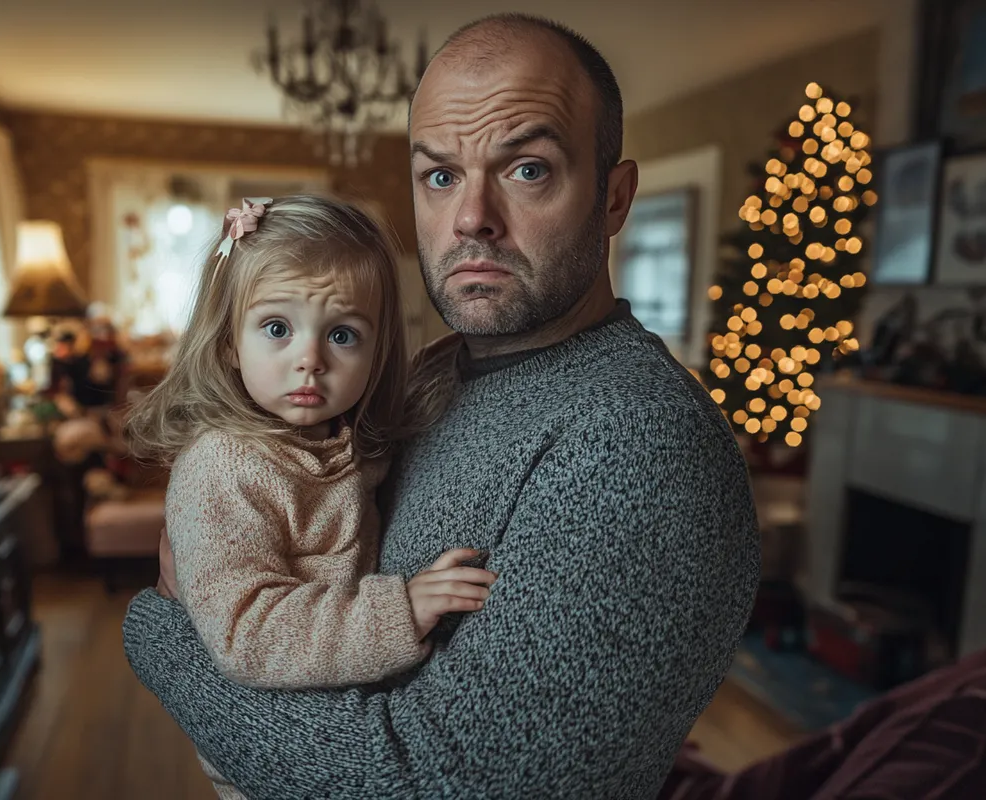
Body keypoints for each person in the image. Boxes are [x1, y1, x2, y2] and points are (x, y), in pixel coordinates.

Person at [124, 13, 760, 799]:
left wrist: (159, 630)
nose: (470, 219)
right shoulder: (430, 376)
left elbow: (434, 783)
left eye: (527, 169)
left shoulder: (636, 445)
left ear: (615, 196)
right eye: (440, 175)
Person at [122, 195, 499, 799]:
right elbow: (247, 634)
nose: (310, 361)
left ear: (376, 355)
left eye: (343, 335)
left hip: (346, 710)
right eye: (277, 328)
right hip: (273, 756)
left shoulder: (340, 440)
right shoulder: (224, 465)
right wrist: (399, 608)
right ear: (228, 345)